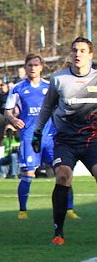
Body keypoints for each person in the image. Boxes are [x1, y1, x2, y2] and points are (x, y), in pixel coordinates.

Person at [34, 37, 97, 245]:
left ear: (90, 55)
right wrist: (37, 131)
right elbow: (47, 107)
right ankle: (58, 233)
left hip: (92, 141)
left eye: (82, 50)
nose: (77, 54)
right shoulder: (59, 79)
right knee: (63, 176)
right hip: (65, 140)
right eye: (74, 50)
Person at [5, 53, 59, 219]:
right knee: (29, 174)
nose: (33, 68)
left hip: (50, 136)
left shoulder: (51, 87)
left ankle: (69, 210)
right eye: (30, 65)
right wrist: (14, 119)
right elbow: (7, 111)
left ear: (42, 67)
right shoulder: (18, 88)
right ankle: (23, 211)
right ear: (25, 67)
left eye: (36, 65)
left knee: (63, 173)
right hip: (30, 137)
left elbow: (60, 108)